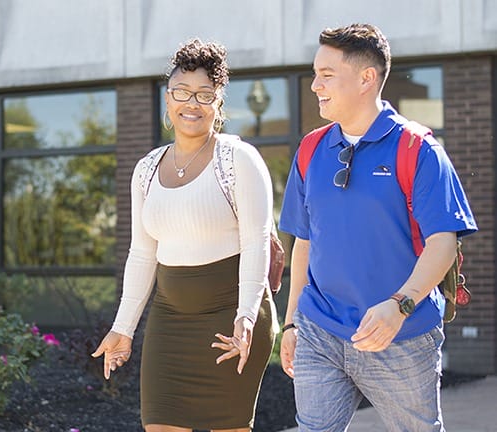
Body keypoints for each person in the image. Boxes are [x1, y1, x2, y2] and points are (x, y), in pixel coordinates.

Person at [279, 23, 477, 431]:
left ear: (367, 78)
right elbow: (304, 242)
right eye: (316, 73)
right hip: (321, 330)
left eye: (327, 75)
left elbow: (443, 242)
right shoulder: (311, 149)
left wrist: (400, 305)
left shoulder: (418, 149)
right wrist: (293, 321)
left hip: (401, 334)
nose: (315, 85)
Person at [92, 38, 278, 432]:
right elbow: (143, 254)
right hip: (170, 320)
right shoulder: (145, 169)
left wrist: (246, 316)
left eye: (204, 95)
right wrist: (123, 329)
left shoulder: (239, 160)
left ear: (218, 104)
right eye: (181, 92)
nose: (191, 103)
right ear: (167, 98)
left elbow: (256, 241)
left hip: (231, 318)